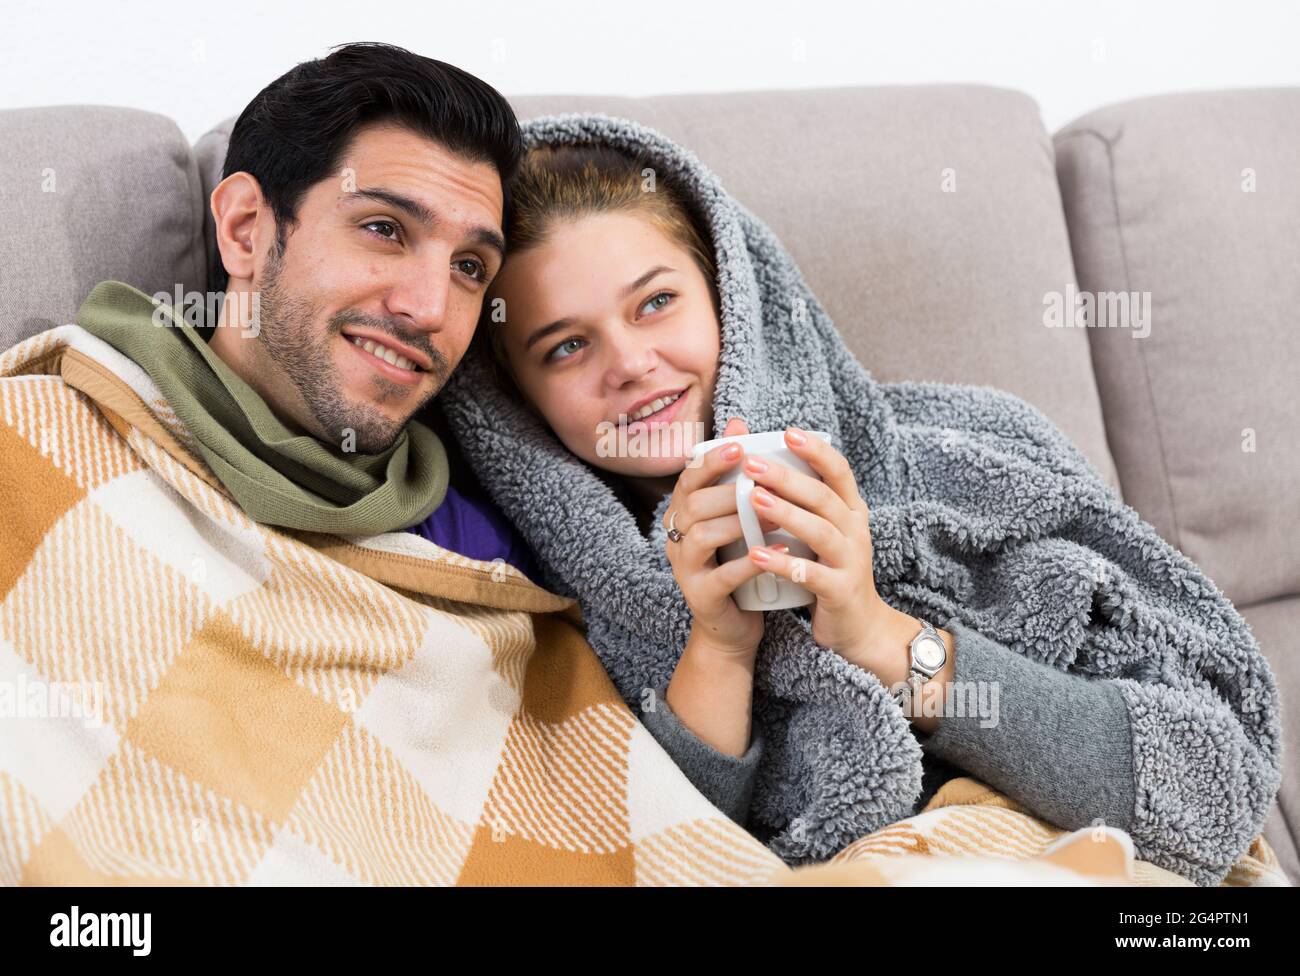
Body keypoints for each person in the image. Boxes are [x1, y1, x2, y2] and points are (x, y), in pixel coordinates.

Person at [436, 120, 1283, 885]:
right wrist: (719, 652)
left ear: (734, 297)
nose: (626, 362)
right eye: (566, 346)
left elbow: (1209, 786)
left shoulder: (976, 457)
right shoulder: (562, 599)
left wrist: (882, 636)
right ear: (519, 398)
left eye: (656, 302)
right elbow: (667, 861)